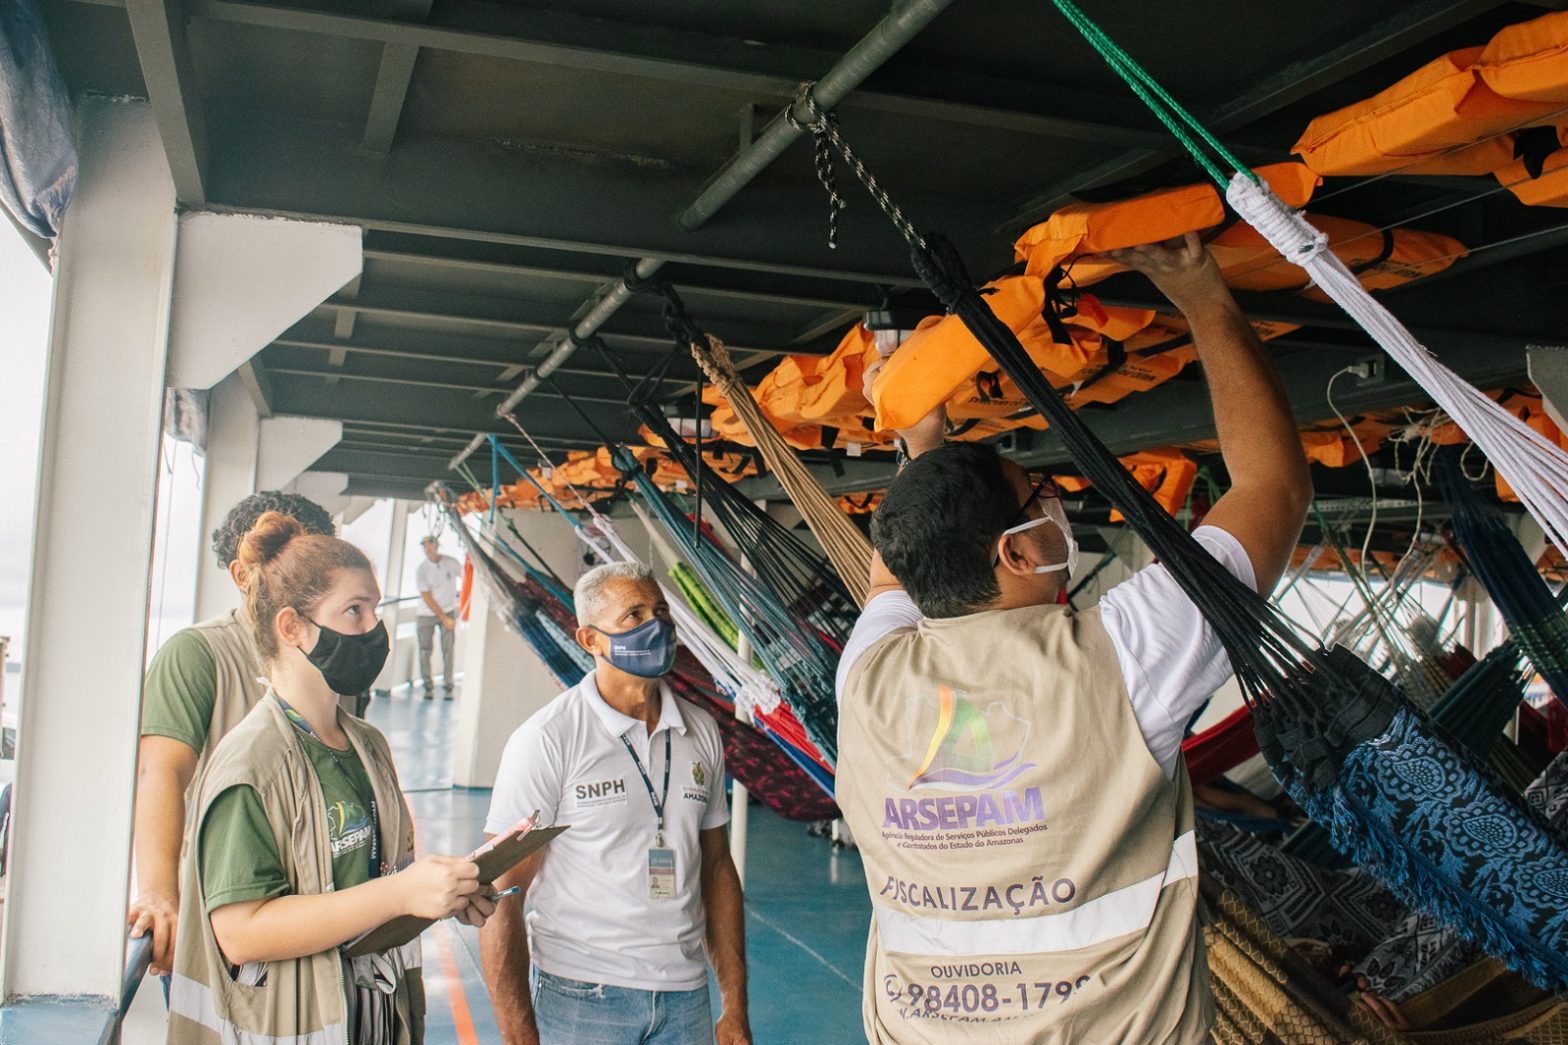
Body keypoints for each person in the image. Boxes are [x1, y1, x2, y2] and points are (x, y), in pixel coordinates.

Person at [835, 234, 1313, 1044]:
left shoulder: (870, 677)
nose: (1057, 502)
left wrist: (923, 444)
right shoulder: (1121, 658)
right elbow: (1274, 486)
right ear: (1017, 551)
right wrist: (1201, 292)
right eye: (1042, 494)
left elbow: (897, 569)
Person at [167, 511, 496, 1044]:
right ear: (292, 627)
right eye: (353, 611)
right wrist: (399, 895)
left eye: (375, 610)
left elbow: (370, 880)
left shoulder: (368, 746)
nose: (374, 630)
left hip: (368, 1014)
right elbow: (241, 931)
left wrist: (438, 894)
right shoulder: (252, 765)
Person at [480, 561, 750, 1045]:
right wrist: (518, 1034)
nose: (657, 625)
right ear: (590, 640)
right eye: (634, 614)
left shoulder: (701, 729)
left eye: (661, 610)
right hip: (583, 995)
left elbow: (716, 867)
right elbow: (501, 892)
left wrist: (734, 1002)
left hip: (686, 995)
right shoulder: (549, 739)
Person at [130, 491, 336, 978]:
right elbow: (160, 772)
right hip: (228, 908)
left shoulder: (322, 653)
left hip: (307, 907)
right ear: (242, 575)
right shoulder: (197, 654)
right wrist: (160, 893)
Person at [415, 535, 462, 700]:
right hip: (426, 614)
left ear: (436, 546)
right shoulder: (422, 569)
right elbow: (427, 597)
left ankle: (448, 686)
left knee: (448, 650)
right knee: (425, 651)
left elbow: (468, 578)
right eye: (425, 546)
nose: (428, 549)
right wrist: (444, 618)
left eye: (430, 546)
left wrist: (459, 606)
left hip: (448, 611)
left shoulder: (451, 563)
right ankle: (428, 687)